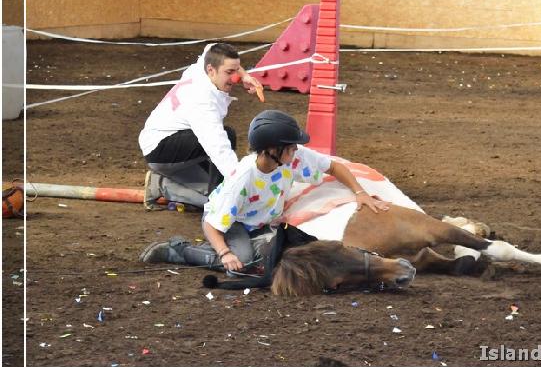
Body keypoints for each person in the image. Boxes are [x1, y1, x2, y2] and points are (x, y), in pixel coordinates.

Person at [139, 110, 390, 274]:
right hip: (231, 222)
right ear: (271, 150)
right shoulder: (244, 177)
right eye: (290, 148)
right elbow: (213, 225)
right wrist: (225, 253)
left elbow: (333, 166)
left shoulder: (293, 158)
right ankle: (178, 250)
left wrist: (359, 192)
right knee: (242, 263)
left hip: (262, 221)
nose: (296, 151)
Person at [138, 42, 263, 210]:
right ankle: (167, 187)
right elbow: (218, 148)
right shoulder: (203, 101)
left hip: (173, 140)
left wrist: (245, 75)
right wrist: (240, 183)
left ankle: (163, 182)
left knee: (218, 184)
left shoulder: (202, 67)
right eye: (229, 72)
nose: (235, 78)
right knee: (224, 197)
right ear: (211, 70)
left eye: (236, 71)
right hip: (161, 148)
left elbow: (212, 47)